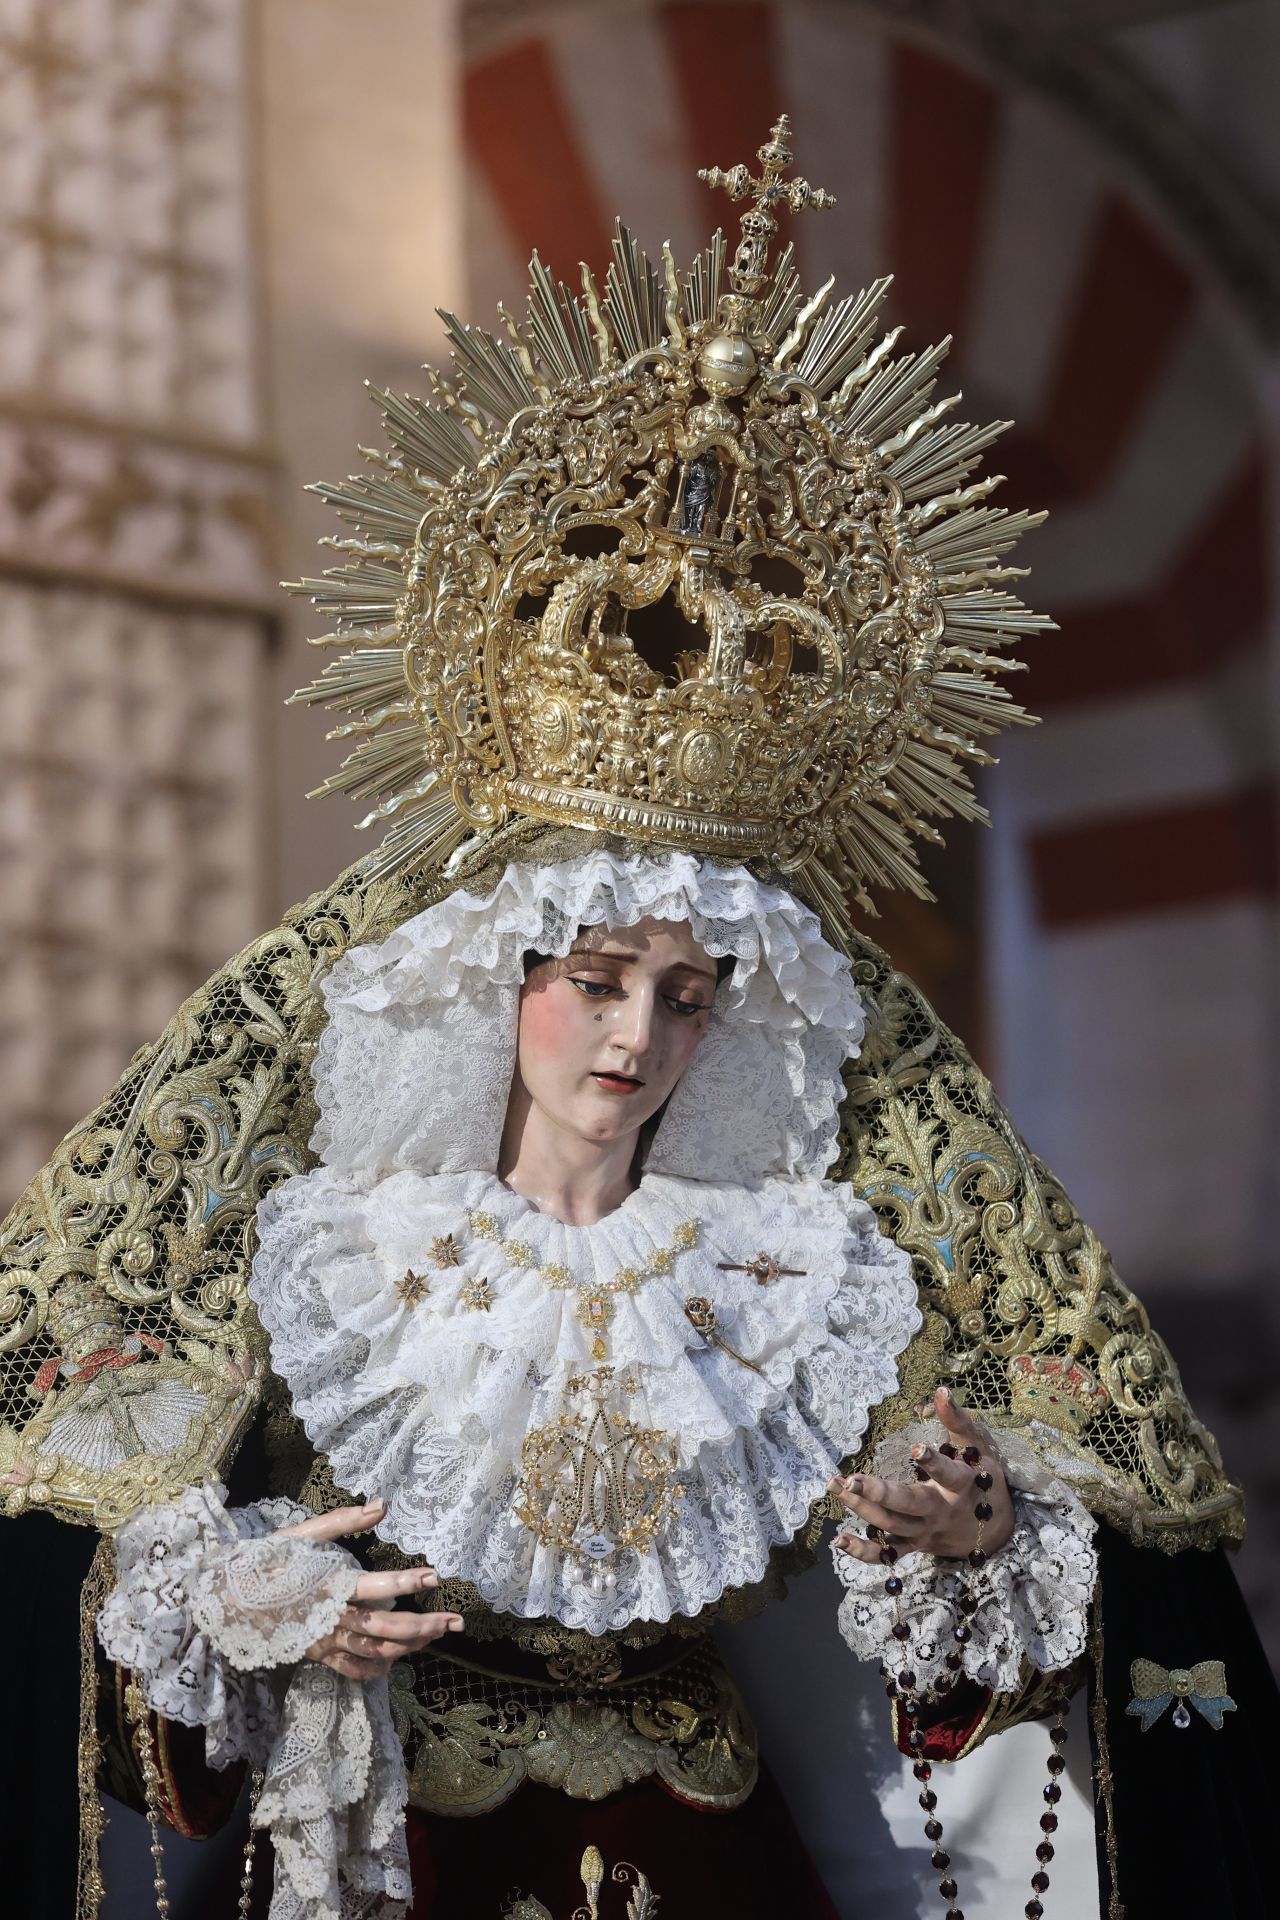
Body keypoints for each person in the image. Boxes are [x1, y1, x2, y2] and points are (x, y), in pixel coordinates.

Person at [0, 119, 1272, 1920]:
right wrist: (249, 1595)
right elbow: (124, 1570)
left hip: (722, 1849)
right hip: (400, 1847)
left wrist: (970, 1534)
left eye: (683, 1000)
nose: (633, 1038)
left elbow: (941, 1659)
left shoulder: (790, 1276)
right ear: (499, 985)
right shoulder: (340, 1254)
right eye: (594, 984)